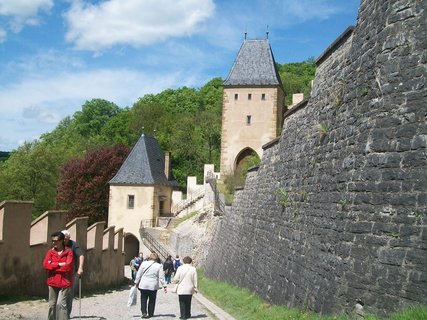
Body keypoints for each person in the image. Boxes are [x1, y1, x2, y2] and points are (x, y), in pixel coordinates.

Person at [43, 231, 74, 320]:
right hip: (52, 281)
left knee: (60, 304)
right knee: (52, 305)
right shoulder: (50, 252)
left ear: (62, 241)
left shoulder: (69, 252)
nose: (53, 243)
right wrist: (60, 264)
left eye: (56, 241)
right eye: (52, 241)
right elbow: (45, 265)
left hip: (65, 282)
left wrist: (52, 264)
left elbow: (68, 267)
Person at [135, 252, 167, 318]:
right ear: (156, 258)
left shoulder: (144, 263)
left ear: (150, 257)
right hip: (153, 285)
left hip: (143, 284)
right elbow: (161, 277)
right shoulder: (159, 266)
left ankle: (144, 312)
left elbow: (139, 274)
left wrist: (136, 282)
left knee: (143, 298)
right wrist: (164, 285)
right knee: (152, 299)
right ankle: (151, 313)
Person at [61, 230, 85, 318]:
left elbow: (81, 255)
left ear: (69, 238)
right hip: (59, 273)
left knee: (68, 294)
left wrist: (80, 267)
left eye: (66, 239)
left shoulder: (73, 245)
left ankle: (67, 314)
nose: (64, 241)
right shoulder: (58, 243)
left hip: (70, 273)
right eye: (63, 239)